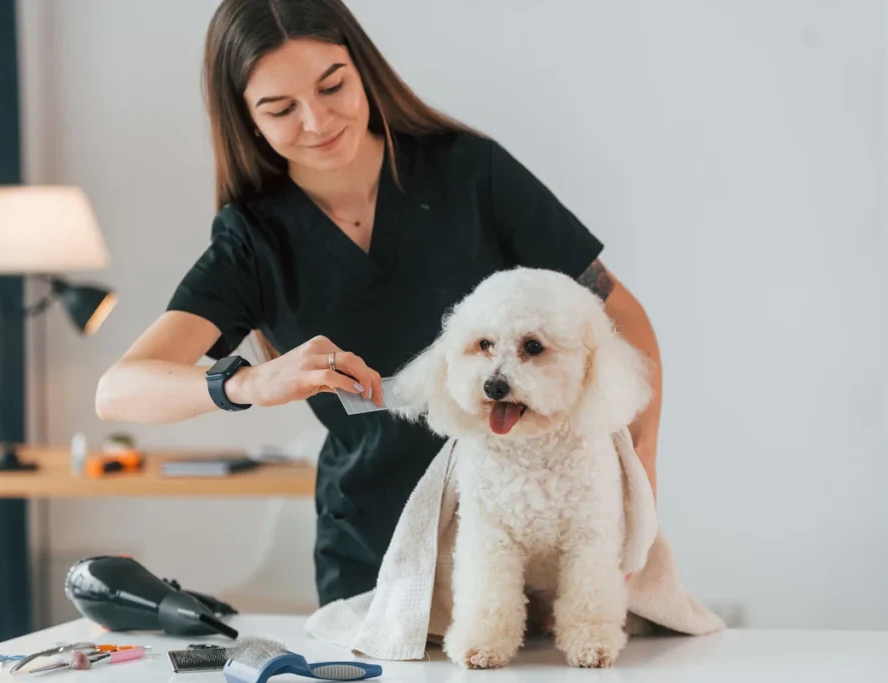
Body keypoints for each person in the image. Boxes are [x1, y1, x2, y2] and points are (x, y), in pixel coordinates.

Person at [95, 0, 663, 608]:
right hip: (376, 558)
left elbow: (618, 316)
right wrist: (249, 383)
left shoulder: (469, 173)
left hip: (523, 533)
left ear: (362, 66)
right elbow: (119, 391)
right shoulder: (253, 239)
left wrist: (638, 475)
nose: (316, 121)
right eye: (281, 108)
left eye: (332, 85)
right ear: (247, 121)